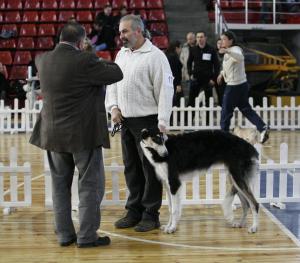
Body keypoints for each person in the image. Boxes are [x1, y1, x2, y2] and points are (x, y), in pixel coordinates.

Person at [29, 22, 123, 247]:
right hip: (83, 134)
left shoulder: (42, 60)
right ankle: (87, 237)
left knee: (59, 187)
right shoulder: (86, 60)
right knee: (90, 186)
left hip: (52, 134)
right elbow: (116, 73)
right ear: (82, 42)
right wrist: (92, 55)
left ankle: (64, 235)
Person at [105, 14, 174, 232]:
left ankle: (151, 214)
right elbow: (113, 85)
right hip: (125, 121)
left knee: (150, 170)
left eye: (124, 31)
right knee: (132, 168)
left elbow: (165, 90)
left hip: (149, 122)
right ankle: (134, 210)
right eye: (120, 31)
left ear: (138, 31)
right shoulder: (122, 54)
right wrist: (113, 107)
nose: (121, 36)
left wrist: (162, 121)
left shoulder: (156, 56)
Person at [217, 30, 269, 143]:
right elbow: (228, 66)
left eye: (224, 39)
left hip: (234, 87)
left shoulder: (235, 49)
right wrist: (221, 74)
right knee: (246, 109)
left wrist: (226, 51)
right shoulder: (228, 51)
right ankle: (262, 127)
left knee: (226, 111)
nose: (222, 41)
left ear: (231, 40)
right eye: (221, 39)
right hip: (241, 85)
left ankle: (223, 135)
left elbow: (240, 57)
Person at [165, 40, 183, 107]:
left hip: (169, 82)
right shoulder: (173, 57)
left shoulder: (167, 55)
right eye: (180, 48)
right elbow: (175, 72)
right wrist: (177, 84)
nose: (181, 50)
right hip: (174, 83)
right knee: (177, 103)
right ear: (176, 48)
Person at [180, 32, 196, 96]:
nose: (189, 40)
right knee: (189, 92)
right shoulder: (184, 47)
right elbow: (182, 60)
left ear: (194, 38)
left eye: (191, 39)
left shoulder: (199, 46)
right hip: (187, 73)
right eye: (188, 39)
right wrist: (183, 74)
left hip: (196, 72)